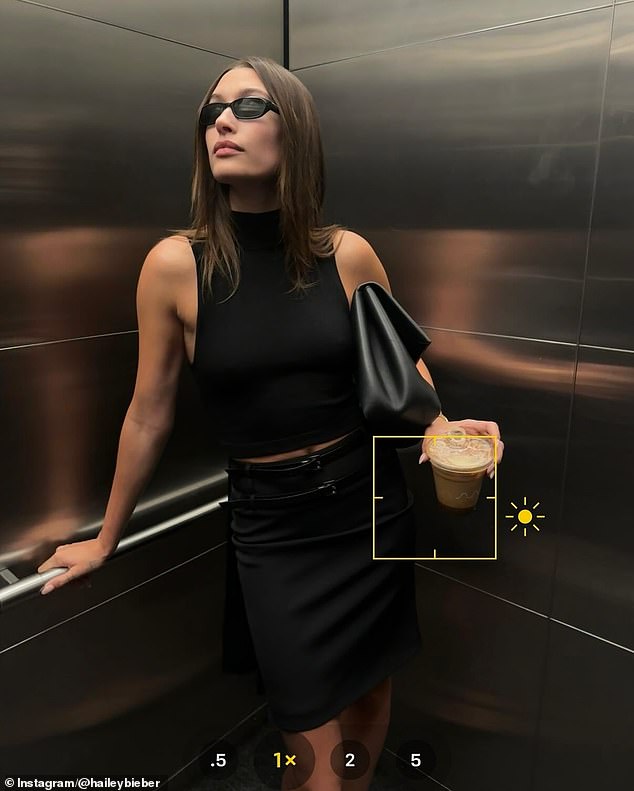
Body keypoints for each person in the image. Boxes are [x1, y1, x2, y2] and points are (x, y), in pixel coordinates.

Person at [37, 56, 504, 790]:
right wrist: (106, 536)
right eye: (212, 110)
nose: (221, 120)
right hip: (273, 531)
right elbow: (149, 411)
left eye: (249, 106)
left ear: (297, 132)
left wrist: (450, 432)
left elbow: (404, 371)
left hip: (368, 511)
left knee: (372, 696)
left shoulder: (346, 255)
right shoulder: (173, 266)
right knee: (309, 748)